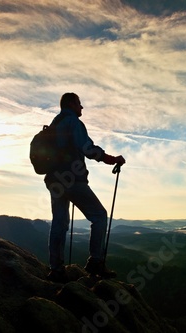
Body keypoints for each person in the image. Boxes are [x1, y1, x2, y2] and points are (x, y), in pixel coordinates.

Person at [45, 92, 126, 283]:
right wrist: (112, 159)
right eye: (79, 104)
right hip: (72, 179)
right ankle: (95, 261)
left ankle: (56, 269)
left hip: (54, 180)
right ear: (72, 104)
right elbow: (87, 149)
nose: (82, 108)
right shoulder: (73, 123)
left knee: (59, 223)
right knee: (99, 216)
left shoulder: (55, 124)